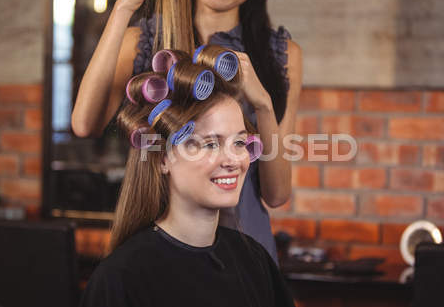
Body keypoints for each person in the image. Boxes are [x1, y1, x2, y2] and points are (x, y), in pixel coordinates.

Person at [71, 0, 302, 261]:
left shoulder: (280, 54)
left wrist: (262, 103)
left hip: (244, 247)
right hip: (155, 238)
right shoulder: (143, 42)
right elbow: (85, 123)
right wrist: (124, 7)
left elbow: (275, 194)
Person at [79, 58, 296, 307]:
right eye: (211, 144)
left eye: (239, 142)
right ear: (162, 158)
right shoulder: (121, 278)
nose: (234, 160)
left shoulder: (254, 261)